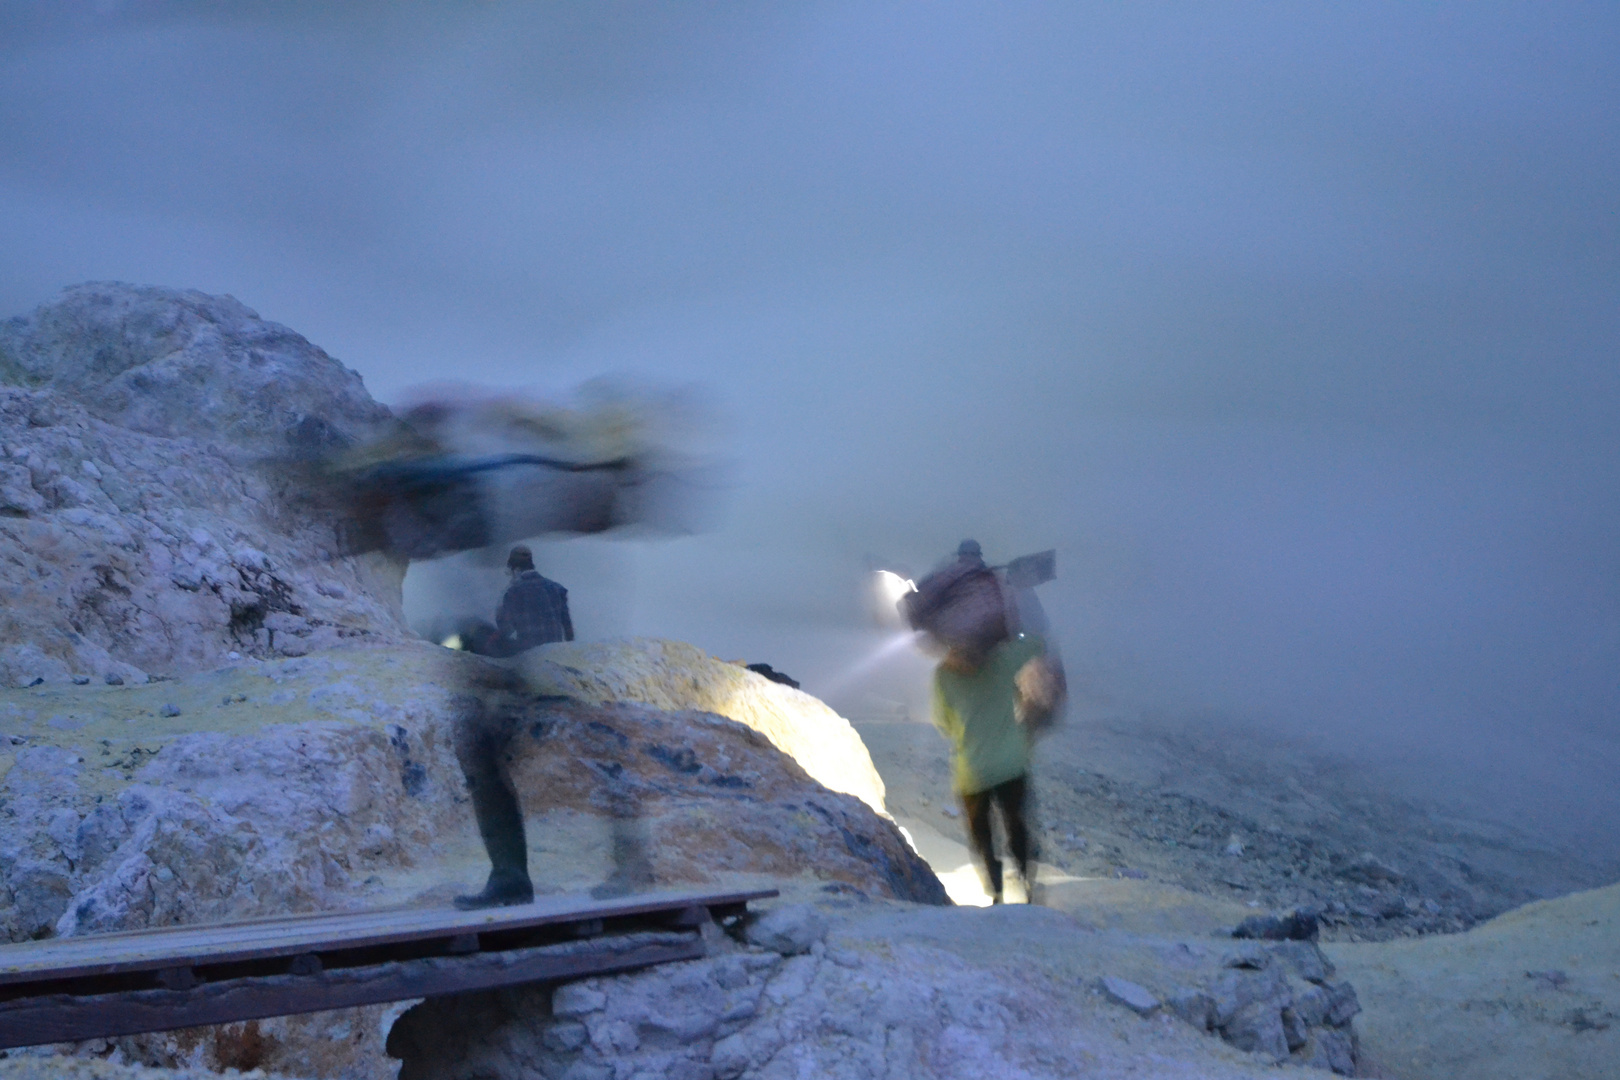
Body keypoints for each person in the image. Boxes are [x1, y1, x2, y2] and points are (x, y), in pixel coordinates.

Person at [930, 540, 1046, 904]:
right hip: (1012, 763)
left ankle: (995, 894)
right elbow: (1036, 643)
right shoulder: (1001, 661)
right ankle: (1026, 888)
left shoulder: (943, 676)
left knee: (983, 838)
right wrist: (1019, 601)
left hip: (972, 771)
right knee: (1017, 828)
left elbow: (944, 723)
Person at [496, 545, 574, 653]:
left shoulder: (513, 592)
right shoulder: (557, 588)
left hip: (531, 658)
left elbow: (505, 629)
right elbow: (568, 630)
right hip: (556, 655)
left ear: (515, 569)